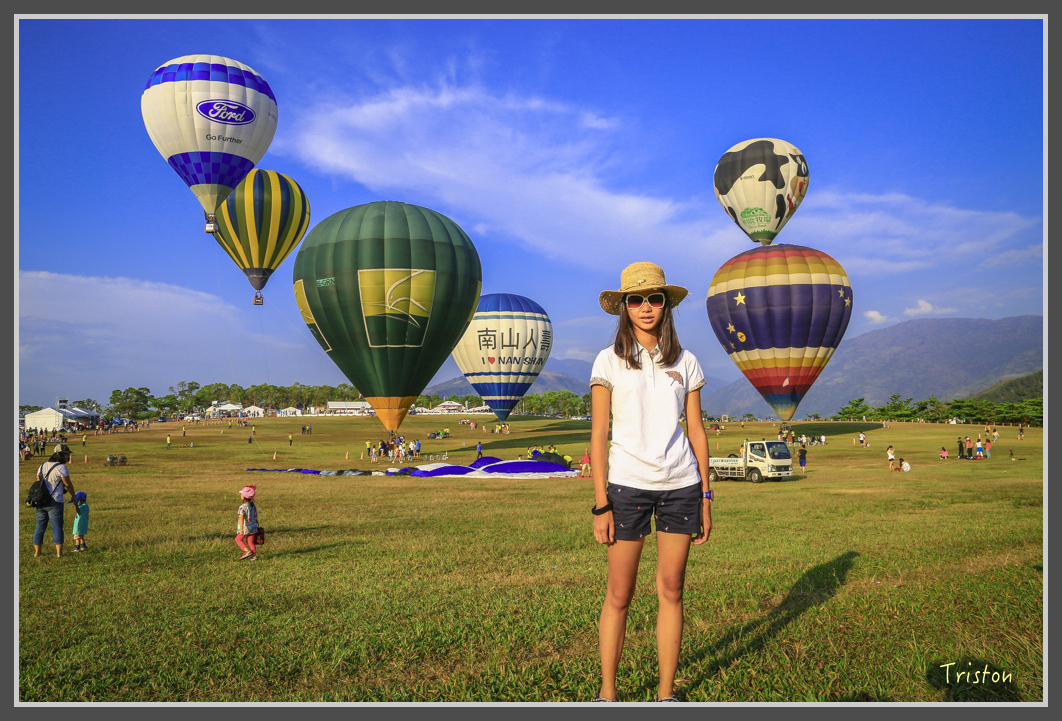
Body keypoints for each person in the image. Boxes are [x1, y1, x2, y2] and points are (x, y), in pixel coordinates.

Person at [589, 262, 711, 703]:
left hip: (681, 484)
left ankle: (666, 695)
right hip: (626, 487)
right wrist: (601, 503)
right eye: (635, 299)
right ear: (623, 306)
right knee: (620, 594)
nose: (645, 307)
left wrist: (706, 496)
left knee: (672, 590)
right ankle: (608, 694)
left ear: (666, 305)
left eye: (654, 298)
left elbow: (695, 431)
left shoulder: (687, 360)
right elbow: (599, 433)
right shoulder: (608, 361)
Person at [32, 444, 81, 558]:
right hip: (55, 501)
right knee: (57, 527)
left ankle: (37, 552)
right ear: (60, 455)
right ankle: (59, 553)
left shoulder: (42, 466)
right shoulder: (61, 468)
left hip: (40, 501)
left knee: (39, 527)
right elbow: (67, 484)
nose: (68, 457)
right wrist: (73, 496)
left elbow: (38, 483)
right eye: (67, 455)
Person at [235, 485, 260, 561]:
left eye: (241, 494)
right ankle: (254, 556)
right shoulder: (253, 506)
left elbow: (242, 518)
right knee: (250, 542)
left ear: (244, 497)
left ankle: (246, 551)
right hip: (253, 527)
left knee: (238, 539)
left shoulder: (242, 507)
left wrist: (241, 530)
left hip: (246, 527)